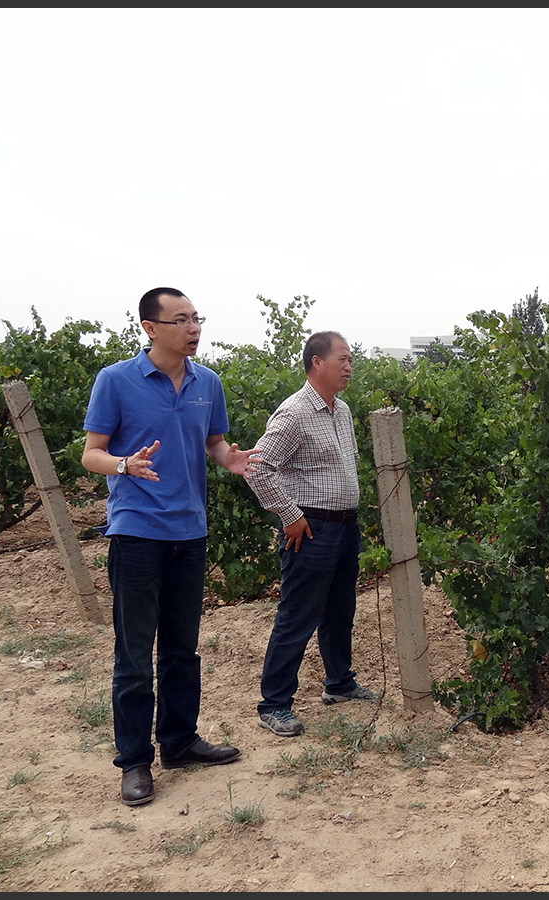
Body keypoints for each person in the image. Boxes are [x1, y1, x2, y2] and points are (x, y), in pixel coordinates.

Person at [82, 287, 258, 807]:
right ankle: (135, 761)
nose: (193, 328)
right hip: (137, 532)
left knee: (182, 648)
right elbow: (91, 454)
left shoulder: (209, 382)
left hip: (190, 533)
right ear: (150, 327)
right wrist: (124, 465)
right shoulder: (115, 380)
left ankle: (179, 741)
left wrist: (229, 459)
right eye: (180, 319)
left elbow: (212, 441)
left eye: (196, 318)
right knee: (135, 655)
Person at [246, 331, 378, 739]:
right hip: (311, 529)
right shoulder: (294, 413)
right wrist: (290, 515)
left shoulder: (343, 411)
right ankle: (274, 703)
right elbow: (257, 468)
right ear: (316, 362)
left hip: (344, 527)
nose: (349, 366)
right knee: (298, 615)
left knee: (339, 610)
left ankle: (339, 683)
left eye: (351, 359)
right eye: (342, 359)